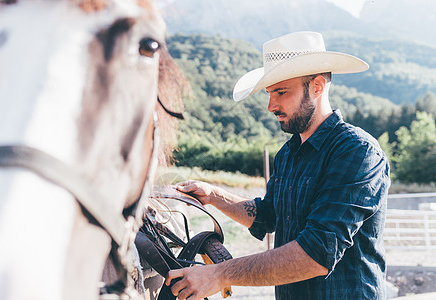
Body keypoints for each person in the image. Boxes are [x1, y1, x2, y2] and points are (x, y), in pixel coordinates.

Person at [165, 31, 391, 300]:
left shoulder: (356, 151)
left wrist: (219, 274)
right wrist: (214, 196)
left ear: (317, 87)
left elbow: (317, 254)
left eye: (281, 92)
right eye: (269, 94)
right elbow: (269, 216)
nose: (271, 105)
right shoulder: (287, 154)